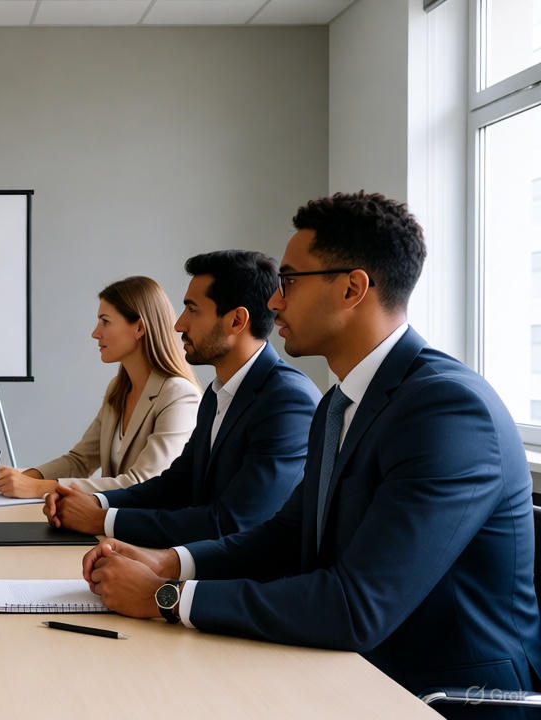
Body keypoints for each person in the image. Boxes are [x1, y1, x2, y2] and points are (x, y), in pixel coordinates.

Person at [82, 192, 540, 710]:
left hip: (439, 694)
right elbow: (287, 536)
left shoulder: (448, 410)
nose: (274, 302)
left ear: (352, 288)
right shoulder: (340, 402)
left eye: (290, 282)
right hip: (349, 666)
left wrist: (164, 599)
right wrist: (170, 563)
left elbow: (356, 606)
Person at [44, 251, 320, 546]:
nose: (179, 324)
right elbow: (174, 486)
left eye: (193, 310)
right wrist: (93, 502)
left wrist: (102, 519)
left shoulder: (288, 401)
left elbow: (232, 522)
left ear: (237, 320)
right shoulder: (218, 394)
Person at [0, 276, 200, 498]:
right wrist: (22, 478)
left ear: (139, 328)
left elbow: (143, 482)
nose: (95, 333)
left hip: (139, 529)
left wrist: (38, 488)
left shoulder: (179, 396)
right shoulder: (118, 389)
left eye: (105, 321)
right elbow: (80, 460)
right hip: (105, 523)